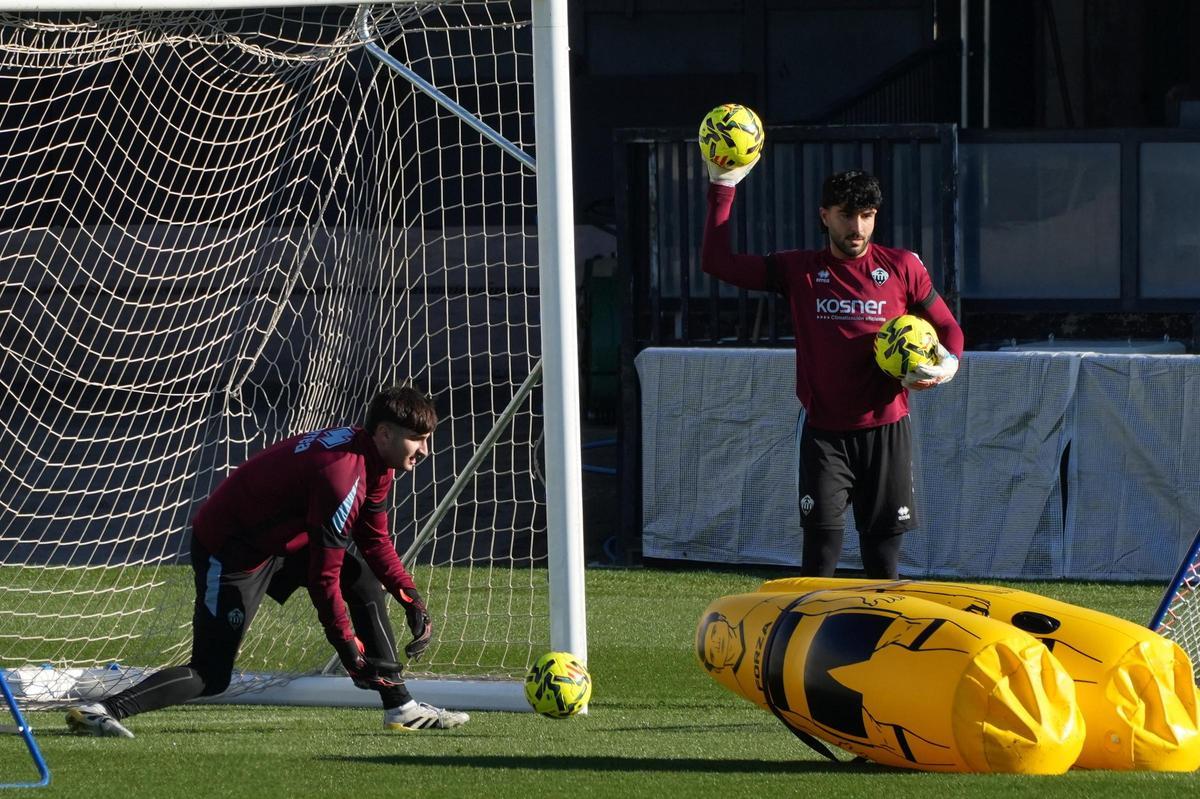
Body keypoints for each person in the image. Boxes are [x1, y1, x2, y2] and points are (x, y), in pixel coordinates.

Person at [65, 385, 468, 737]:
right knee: (211, 674)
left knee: (362, 580)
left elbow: (375, 539)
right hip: (232, 552)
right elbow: (323, 577)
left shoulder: (378, 461)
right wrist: (347, 647)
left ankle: (400, 707)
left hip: (279, 543)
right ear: (384, 433)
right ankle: (100, 710)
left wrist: (411, 596)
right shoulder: (342, 477)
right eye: (418, 438)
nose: (426, 450)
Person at [701, 160, 964, 580]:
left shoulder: (902, 267)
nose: (856, 228)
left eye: (866, 216)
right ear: (824, 216)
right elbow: (717, 263)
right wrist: (724, 184)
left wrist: (947, 365)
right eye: (846, 215)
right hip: (825, 432)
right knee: (821, 556)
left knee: (883, 562)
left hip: (887, 429)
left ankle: (879, 645)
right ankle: (811, 645)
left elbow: (948, 326)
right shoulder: (798, 269)